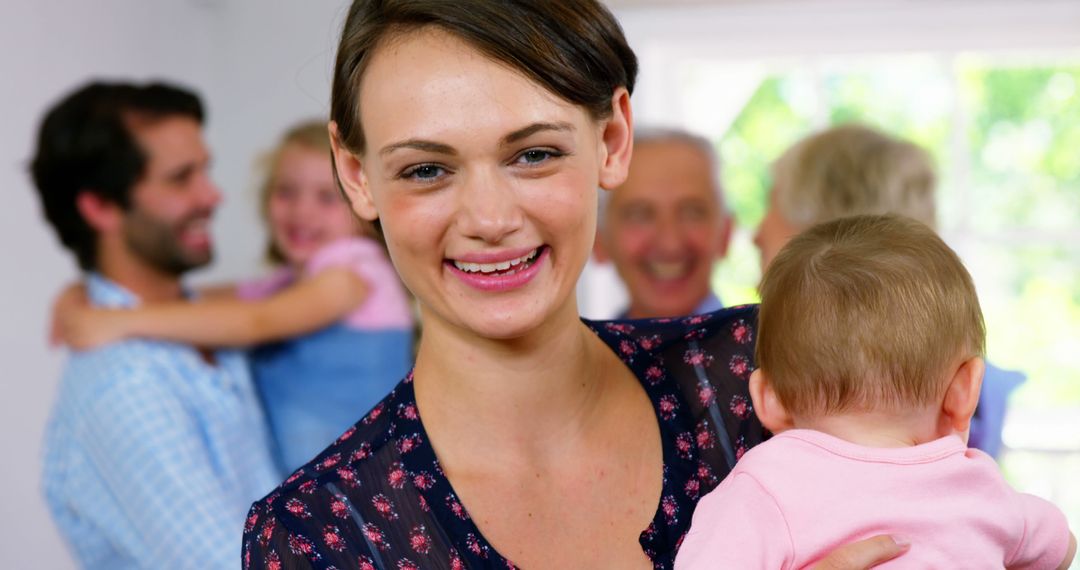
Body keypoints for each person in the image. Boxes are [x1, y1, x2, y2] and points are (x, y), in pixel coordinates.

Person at [240, 2, 907, 569]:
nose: (490, 220)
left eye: (534, 155)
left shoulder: (765, 372)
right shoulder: (319, 533)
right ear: (355, 174)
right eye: (425, 171)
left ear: (613, 139)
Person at [677, 214, 1077, 568]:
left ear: (768, 399)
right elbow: (1062, 544)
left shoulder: (763, 486)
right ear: (965, 392)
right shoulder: (977, 484)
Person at [53, 120, 415, 473]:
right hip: (322, 490)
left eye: (326, 198)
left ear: (365, 204)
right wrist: (86, 289)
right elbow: (189, 299)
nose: (302, 211)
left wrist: (119, 322)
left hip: (370, 484)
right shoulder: (287, 285)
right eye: (286, 191)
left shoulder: (355, 272)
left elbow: (256, 321)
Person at [31, 81, 280, 568]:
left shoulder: (200, 325)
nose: (212, 195)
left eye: (204, 170)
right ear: (100, 206)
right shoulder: (127, 386)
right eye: (180, 178)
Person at [754, 123, 1024, 458]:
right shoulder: (971, 382)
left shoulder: (759, 373)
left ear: (829, 233)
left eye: (771, 203)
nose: (756, 232)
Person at [594, 127, 732, 319]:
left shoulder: (772, 349)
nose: (670, 243)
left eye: (692, 213)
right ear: (598, 240)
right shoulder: (576, 349)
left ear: (726, 233)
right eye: (639, 215)